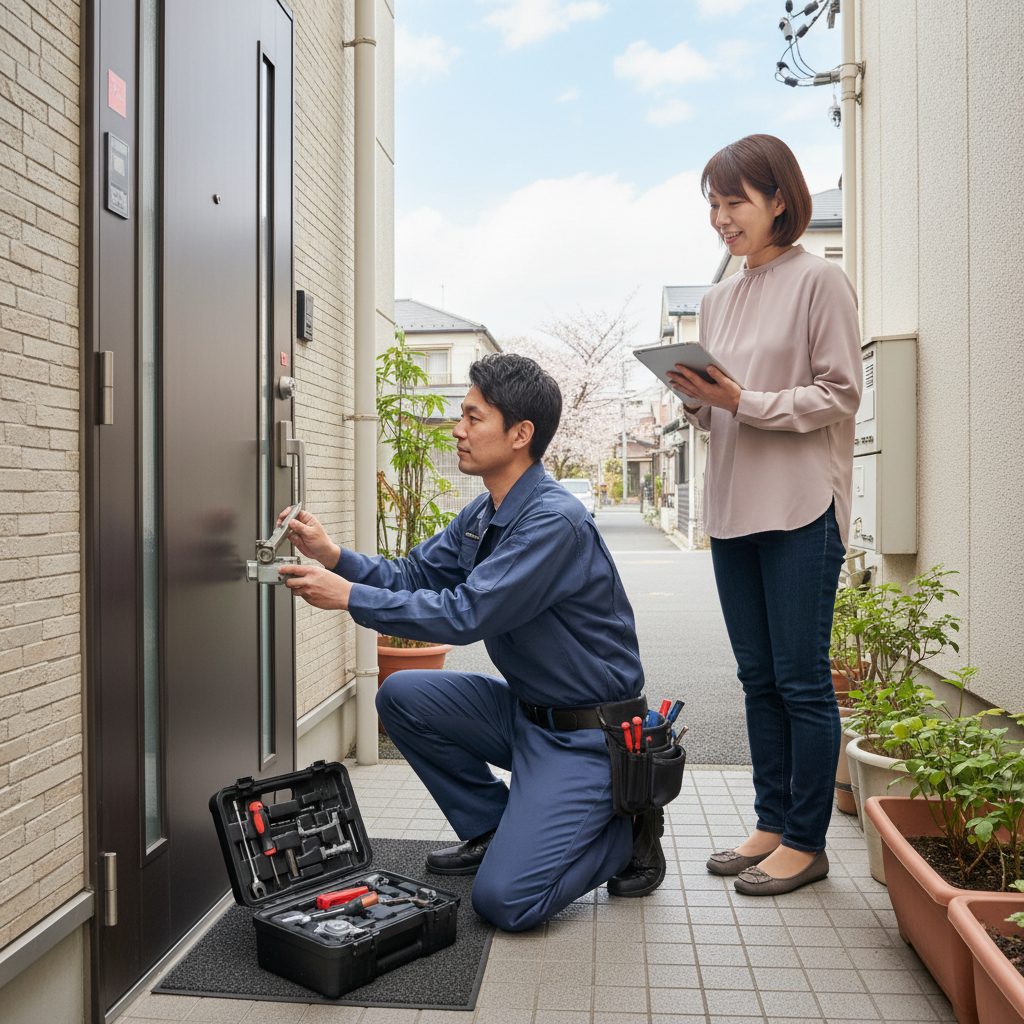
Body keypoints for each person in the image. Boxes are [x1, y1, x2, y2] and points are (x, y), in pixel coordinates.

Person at [277, 353, 663, 931]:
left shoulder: (553, 522)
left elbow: (466, 614)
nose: (457, 429)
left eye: (472, 417)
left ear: (520, 434)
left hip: (588, 737)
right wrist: (334, 557)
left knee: (505, 902)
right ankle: (493, 827)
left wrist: (348, 596)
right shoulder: (485, 511)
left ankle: (626, 831)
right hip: (526, 716)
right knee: (402, 695)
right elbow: (414, 575)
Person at [668, 135, 862, 897]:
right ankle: (771, 823)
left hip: (801, 507)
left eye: (734, 202)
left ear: (779, 199)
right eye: (713, 205)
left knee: (801, 680)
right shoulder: (717, 298)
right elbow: (717, 412)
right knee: (757, 679)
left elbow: (839, 394)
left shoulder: (821, 281)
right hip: (732, 508)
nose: (721, 218)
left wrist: (741, 400)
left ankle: (807, 843)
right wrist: (695, 400)